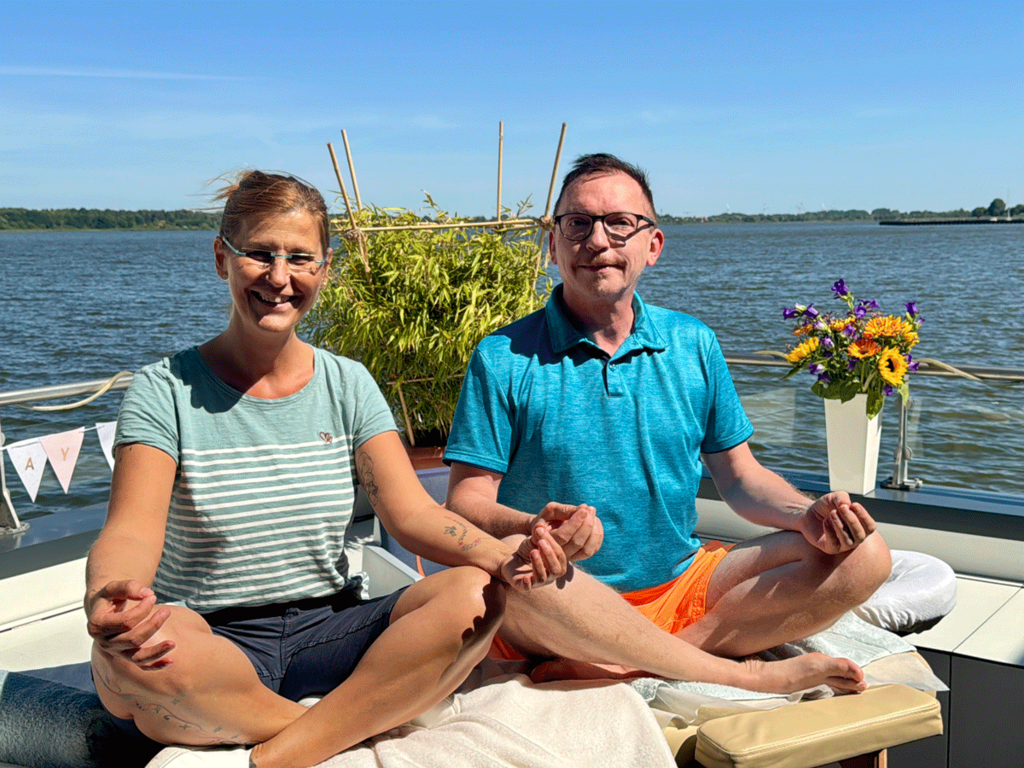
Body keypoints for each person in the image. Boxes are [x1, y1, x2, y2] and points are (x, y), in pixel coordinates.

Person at [84, 171, 565, 768]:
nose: (279, 277)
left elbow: (411, 512)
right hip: (216, 638)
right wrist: (110, 593)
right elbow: (131, 531)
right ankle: (340, 729)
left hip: (330, 627)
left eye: (299, 258)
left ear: (325, 268)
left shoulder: (348, 384)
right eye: (259, 254)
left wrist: (501, 554)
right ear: (221, 258)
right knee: (135, 657)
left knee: (474, 594)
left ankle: (277, 751)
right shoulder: (164, 390)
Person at [444, 153, 892, 691]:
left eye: (619, 223)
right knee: (502, 586)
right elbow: (466, 502)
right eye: (577, 223)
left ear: (652, 246)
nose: (597, 240)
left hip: (682, 585)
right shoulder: (504, 356)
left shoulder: (692, 342)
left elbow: (741, 479)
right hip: (559, 596)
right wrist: (531, 527)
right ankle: (726, 668)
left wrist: (806, 513)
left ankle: (640, 663)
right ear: (553, 245)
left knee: (863, 554)